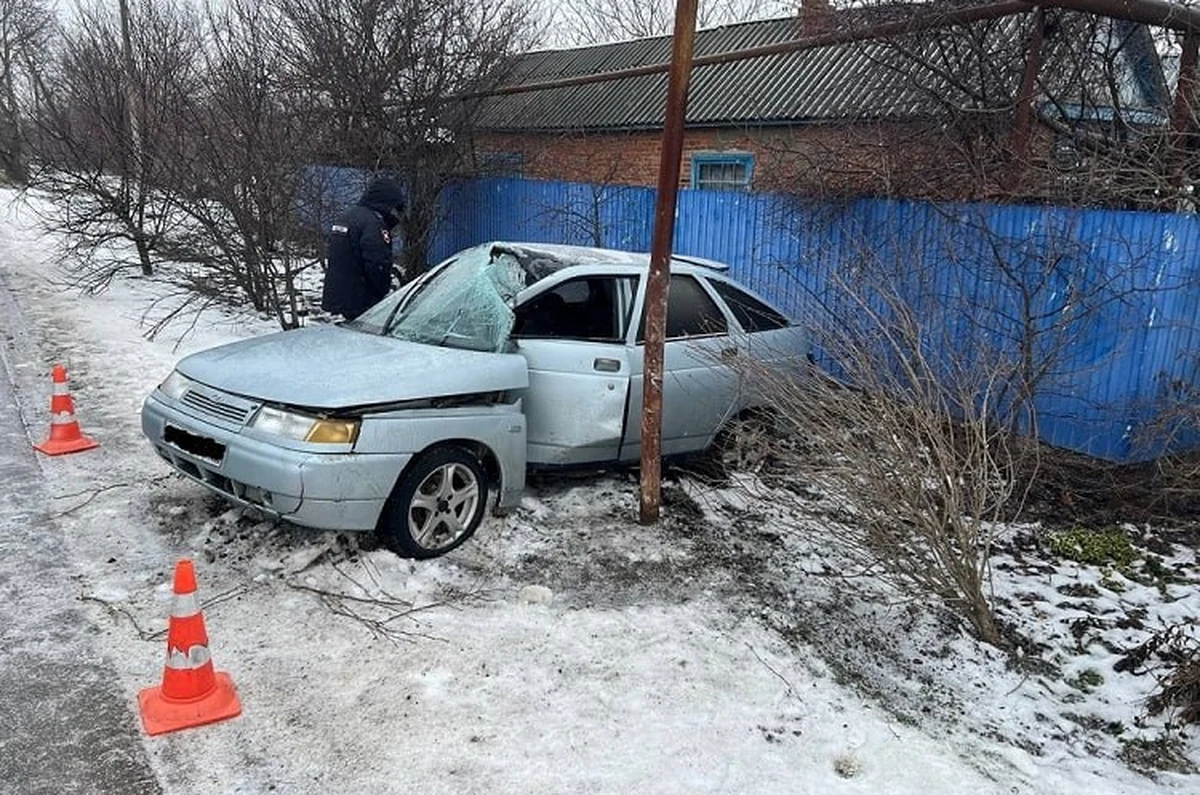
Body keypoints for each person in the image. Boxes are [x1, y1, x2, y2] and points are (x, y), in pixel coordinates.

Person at [321, 176, 406, 321]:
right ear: (387, 202)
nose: (394, 213)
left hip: (339, 294)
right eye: (394, 208)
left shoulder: (347, 217)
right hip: (361, 298)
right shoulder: (374, 224)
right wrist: (382, 291)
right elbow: (377, 263)